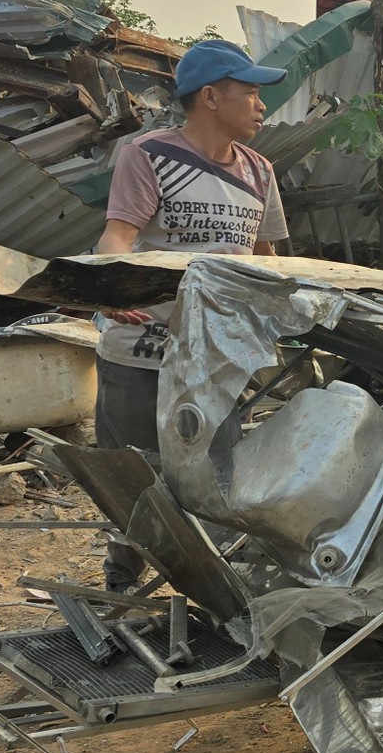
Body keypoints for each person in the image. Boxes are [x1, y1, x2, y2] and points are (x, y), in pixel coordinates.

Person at [92, 39, 290, 591]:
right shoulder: (149, 155)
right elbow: (118, 235)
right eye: (249, 93)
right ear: (210, 96)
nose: (260, 105)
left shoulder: (260, 172)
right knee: (136, 472)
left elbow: (267, 260)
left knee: (213, 473)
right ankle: (122, 581)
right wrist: (112, 283)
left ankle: (212, 589)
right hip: (144, 348)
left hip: (218, 355)